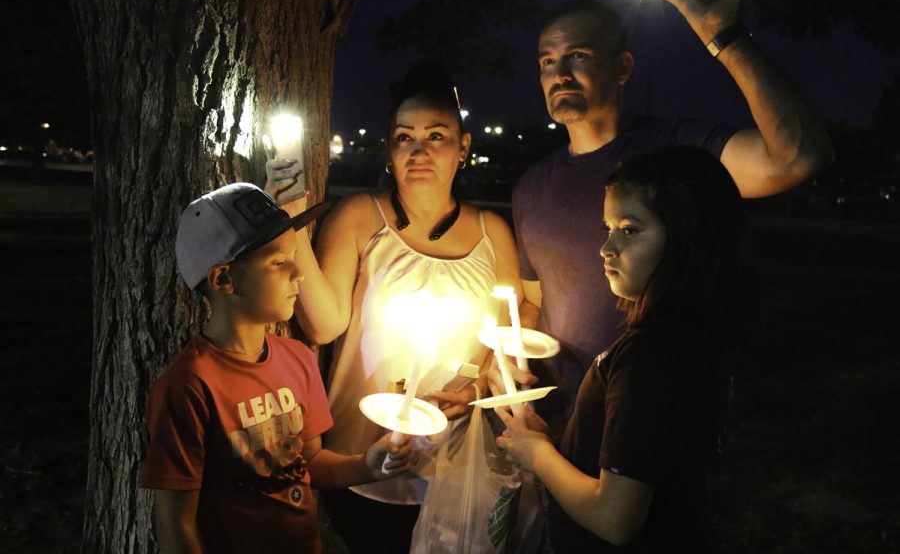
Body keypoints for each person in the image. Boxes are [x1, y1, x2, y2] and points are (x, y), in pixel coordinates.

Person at [503, 0, 832, 428]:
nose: (560, 74)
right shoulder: (531, 187)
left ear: (623, 67)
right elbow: (534, 302)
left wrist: (725, 36)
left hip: (653, 420)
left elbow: (797, 157)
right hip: (557, 422)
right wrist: (513, 363)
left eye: (578, 56)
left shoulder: (676, 153)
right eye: (548, 62)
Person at [264, 62, 522, 553]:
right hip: (361, 460)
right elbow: (323, 324)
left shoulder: (493, 234)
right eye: (404, 138)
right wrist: (291, 221)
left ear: (463, 148)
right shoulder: (361, 217)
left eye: (437, 136)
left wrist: (473, 384)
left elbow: (506, 332)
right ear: (389, 150)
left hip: (449, 467)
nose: (419, 150)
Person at [497, 146, 757, 551]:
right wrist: (552, 446)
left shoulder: (652, 357)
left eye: (630, 230)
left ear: (688, 236)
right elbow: (640, 456)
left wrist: (538, 457)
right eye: (608, 228)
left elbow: (615, 519)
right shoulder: (686, 335)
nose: (607, 248)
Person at [139, 183, 414, 554]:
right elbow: (176, 523)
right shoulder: (190, 386)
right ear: (224, 279)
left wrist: (366, 465)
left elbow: (311, 462)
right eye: (279, 261)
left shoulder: (298, 359)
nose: (298, 273)